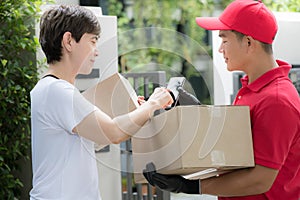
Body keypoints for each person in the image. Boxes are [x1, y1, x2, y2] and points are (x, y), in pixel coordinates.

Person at [143, 0, 300, 199]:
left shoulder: (277, 101)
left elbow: (261, 178)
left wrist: (193, 187)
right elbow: (238, 150)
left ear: (249, 43)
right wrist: (198, 112)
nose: (220, 49)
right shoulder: (253, 90)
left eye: (224, 40)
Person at [30, 5, 173, 200]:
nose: (96, 52)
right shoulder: (57, 92)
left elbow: (97, 136)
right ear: (69, 41)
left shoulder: (51, 89)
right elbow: (112, 132)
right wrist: (153, 104)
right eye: (93, 41)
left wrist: (134, 112)